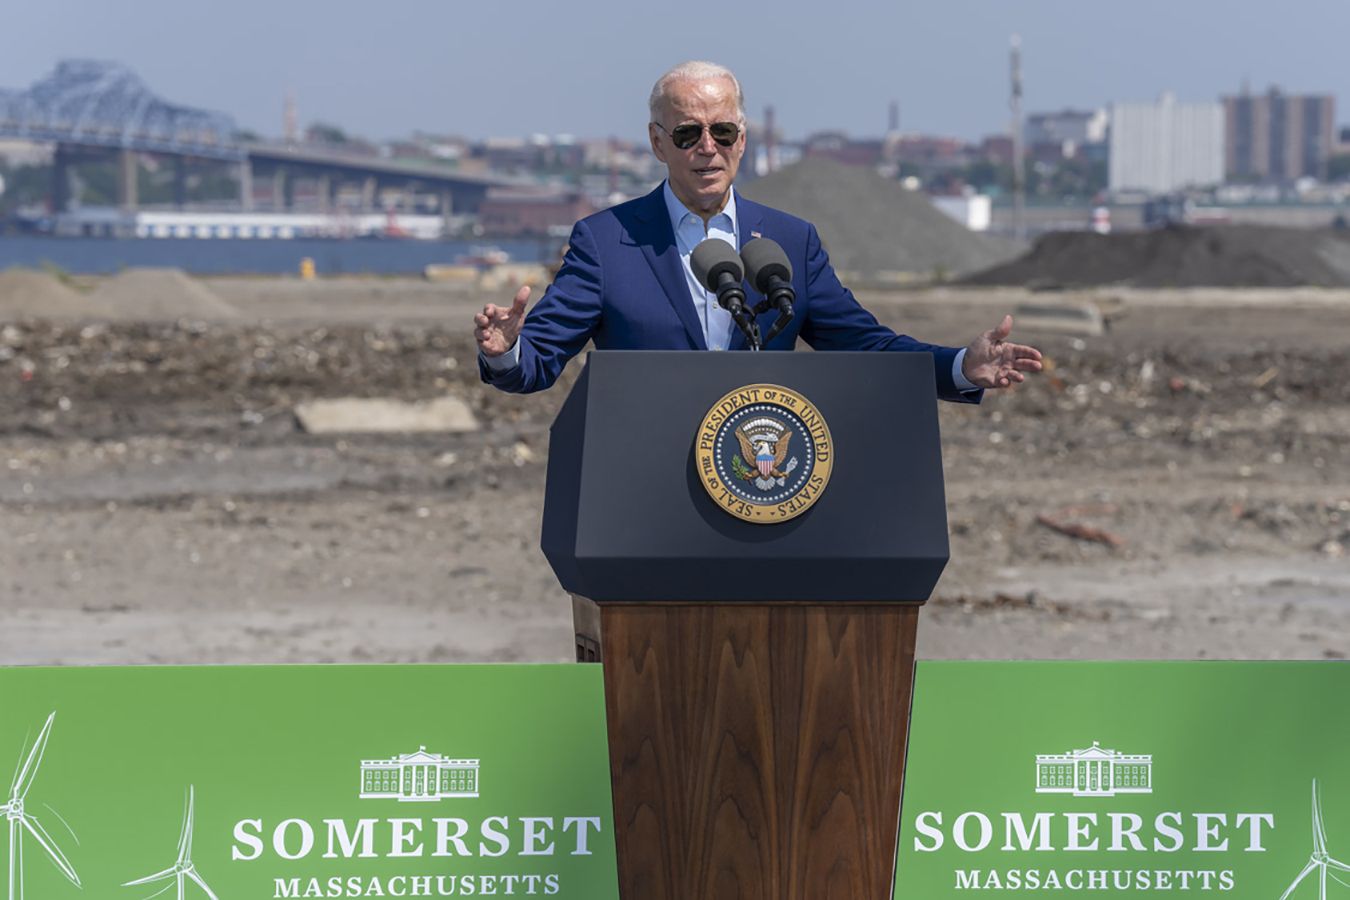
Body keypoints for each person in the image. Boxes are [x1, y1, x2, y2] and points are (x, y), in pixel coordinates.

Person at [476, 61, 1042, 400]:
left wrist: (958, 367)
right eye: (687, 134)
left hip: (763, 487)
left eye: (722, 132)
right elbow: (537, 362)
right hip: (644, 488)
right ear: (656, 143)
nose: (708, 148)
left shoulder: (791, 241)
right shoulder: (605, 242)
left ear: (742, 140)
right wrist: (506, 351)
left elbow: (865, 345)